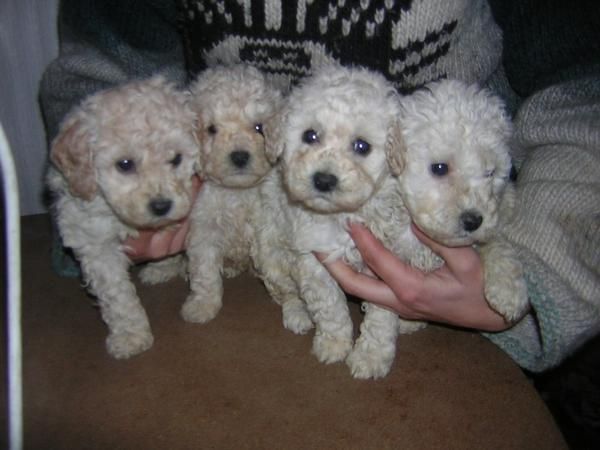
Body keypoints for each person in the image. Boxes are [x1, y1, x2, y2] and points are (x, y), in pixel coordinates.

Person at [40, 0, 600, 373]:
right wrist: (102, 189)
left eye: (361, 147)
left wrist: (540, 272)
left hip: (481, 260)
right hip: (220, 228)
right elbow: (106, 71)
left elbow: (584, 95)